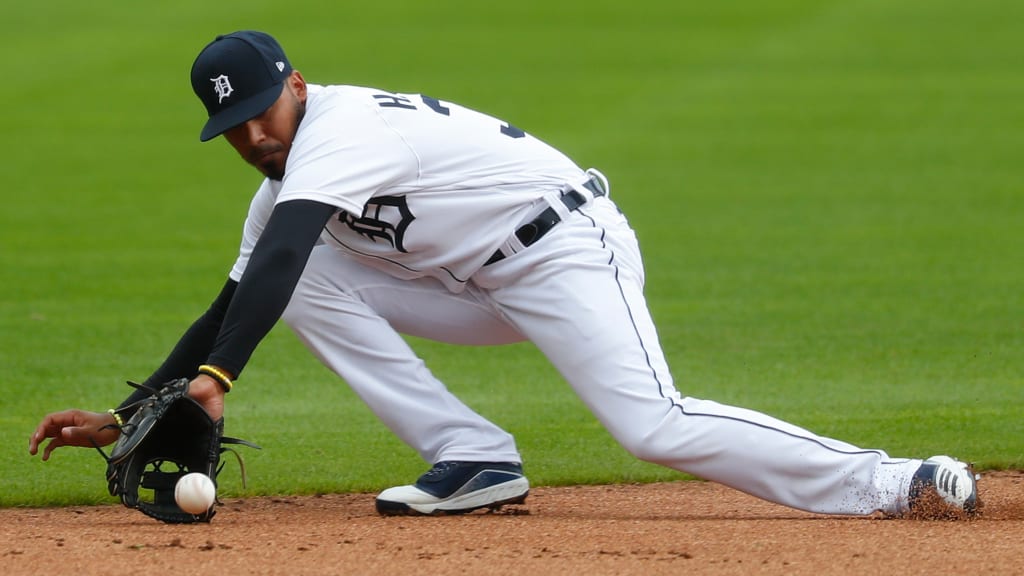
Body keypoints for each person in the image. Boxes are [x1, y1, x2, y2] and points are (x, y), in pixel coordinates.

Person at [29, 30, 978, 518]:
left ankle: (891, 483)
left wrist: (215, 384)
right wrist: (131, 412)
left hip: (564, 251)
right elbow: (243, 294)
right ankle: (474, 456)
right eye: (232, 128)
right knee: (292, 281)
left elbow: (275, 260)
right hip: (468, 283)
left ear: (299, 87)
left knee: (650, 424)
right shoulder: (286, 183)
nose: (251, 136)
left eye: (264, 112)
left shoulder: (342, 129)